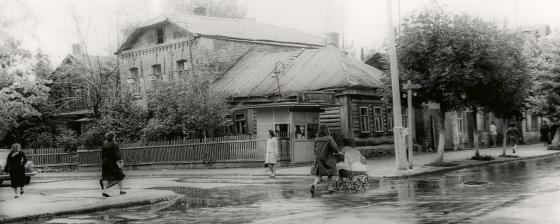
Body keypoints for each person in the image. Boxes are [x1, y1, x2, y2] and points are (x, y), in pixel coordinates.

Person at [310, 124, 341, 195]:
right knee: (329, 173)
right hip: (328, 158)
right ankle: (330, 188)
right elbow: (334, 147)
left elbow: (315, 150)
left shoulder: (316, 139)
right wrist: (338, 152)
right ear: (327, 130)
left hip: (319, 159)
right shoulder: (329, 138)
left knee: (319, 174)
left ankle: (314, 184)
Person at [101, 131, 126, 197]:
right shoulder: (115, 144)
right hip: (114, 163)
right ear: (113, 137)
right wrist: (120, 162)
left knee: (105, 177)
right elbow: (117, 155)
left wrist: (104, 161)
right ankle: (121, 190)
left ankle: (104, 191)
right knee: (119, 176)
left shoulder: (104, 144)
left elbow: (103, 155)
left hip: (106, 163)